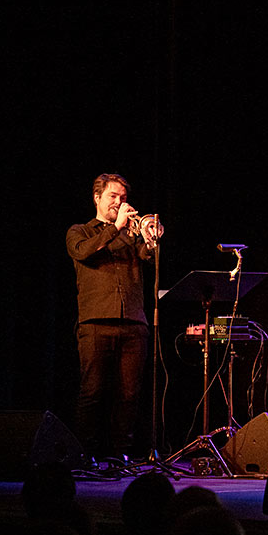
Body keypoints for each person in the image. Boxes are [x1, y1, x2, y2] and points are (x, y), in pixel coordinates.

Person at [65, 172, 162, 461]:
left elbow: (148, 257)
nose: (118, 203)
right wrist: (116, 227)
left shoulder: (129, 236)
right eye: (112, 197)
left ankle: (119, 455)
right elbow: (84, 253)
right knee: (92, 393)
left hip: (134, 323)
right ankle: (85, 455)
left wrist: (149, 239)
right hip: (95, 323)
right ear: (97, 198)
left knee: (129, 396)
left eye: (122, 198)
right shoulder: (79, 231)